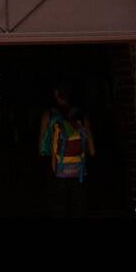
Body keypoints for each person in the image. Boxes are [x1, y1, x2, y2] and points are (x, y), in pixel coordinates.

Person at [39, 83, 95, 217]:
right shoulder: (82, 116)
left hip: (57, 175)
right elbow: (92, 151)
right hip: (79, 175)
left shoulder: (49, 115)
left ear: (56, 95)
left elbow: (41, 149)